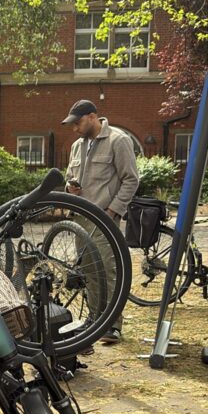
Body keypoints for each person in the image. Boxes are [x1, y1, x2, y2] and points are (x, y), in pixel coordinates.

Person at [62, 99, 139, 344]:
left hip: (105, 220)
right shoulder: (77, 146)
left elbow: (131, 179)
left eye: (78, 122)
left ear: (93, 117)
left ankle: (113, 325)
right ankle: (95, 319)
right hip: (81, 219)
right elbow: (69, 176)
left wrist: (113, 210)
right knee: (89, 272)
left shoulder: (118, 140)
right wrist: (69, 187)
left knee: (108, 270)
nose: (75, 128)